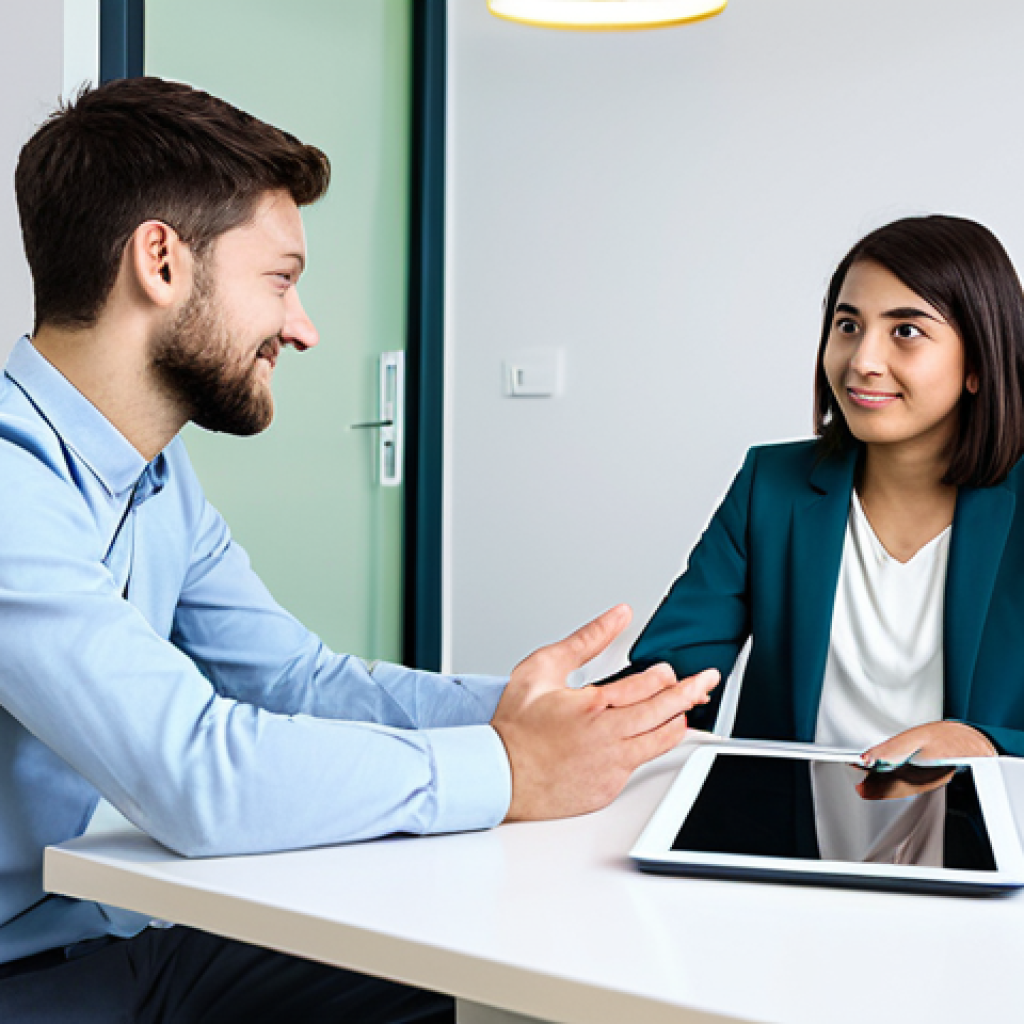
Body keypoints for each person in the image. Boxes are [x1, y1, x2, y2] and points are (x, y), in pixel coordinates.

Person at [0, 78, 719, 1022]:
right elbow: (195, 775)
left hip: (123, 938)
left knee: (499, 983)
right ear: (161, 262)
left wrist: (542, 714)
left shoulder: (158, 481)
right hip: (28, 982)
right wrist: (509, 768)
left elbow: (298, 680)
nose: (302, 327)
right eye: (282, 279)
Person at [615, 214, 1024, 778]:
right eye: (848, 325)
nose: (861, 361)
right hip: (786, 830)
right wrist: (586, 713)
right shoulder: (770, 483)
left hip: (980, 840)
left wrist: (987, 745)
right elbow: (676, 671)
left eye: (905, 331)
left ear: (978, 362)